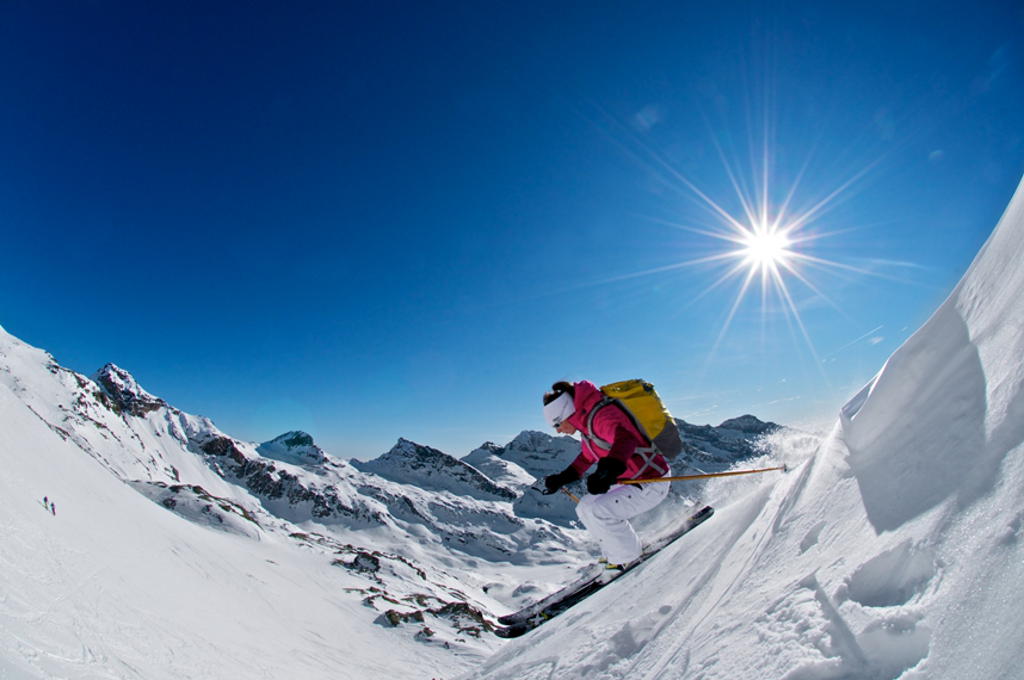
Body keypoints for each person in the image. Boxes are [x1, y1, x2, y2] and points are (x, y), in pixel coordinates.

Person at [541, 380, 671, 567]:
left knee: (599, 511)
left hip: (652, 481)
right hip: (633, 481)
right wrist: (563, 477)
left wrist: (607, 471)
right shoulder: (588, 425)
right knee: (584, 507)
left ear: (566, 415)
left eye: (557, 425)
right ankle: (614, 553)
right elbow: (587, 458)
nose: (559, 431)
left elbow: (625, 439)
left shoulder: (601, 417)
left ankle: (627, 558)